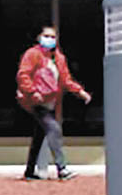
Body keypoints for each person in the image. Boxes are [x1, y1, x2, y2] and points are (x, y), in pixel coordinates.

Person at [16, 25, 92, 181]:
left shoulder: (59, 58)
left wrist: (80, 92)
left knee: (39, 136)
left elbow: (65, 80)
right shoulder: (32, 54)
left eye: (53, 37)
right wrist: (32, 92)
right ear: (39, 38)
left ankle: (30, 171)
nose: (50, 39)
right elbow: (23, 74)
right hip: (36, 102)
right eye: (46, 36)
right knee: (54, 129)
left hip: (50, 103)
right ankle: (62, 168)